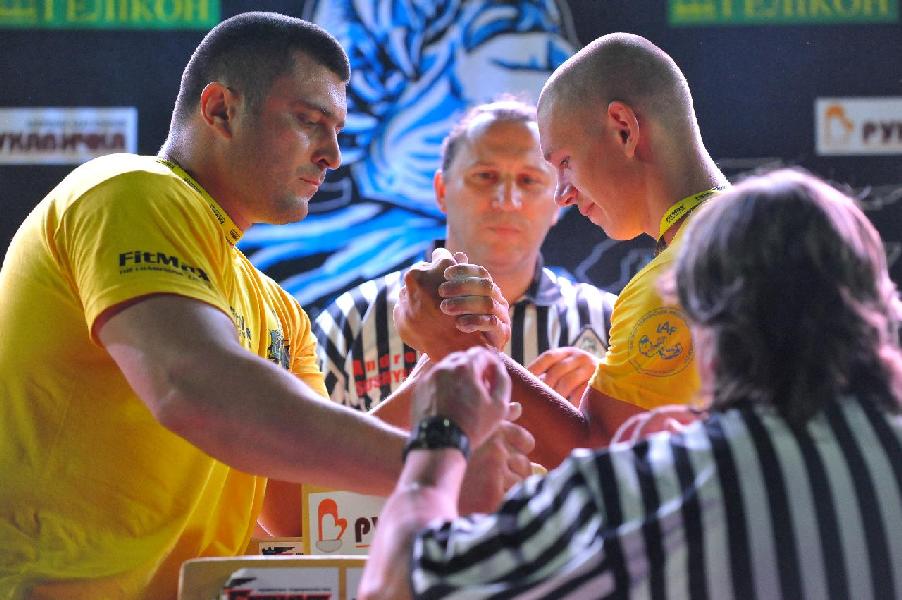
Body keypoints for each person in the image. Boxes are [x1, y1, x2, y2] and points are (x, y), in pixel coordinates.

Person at [0, 13, 532, 599]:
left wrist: (443, 357)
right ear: (221, 109)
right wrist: (437, 463)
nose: (332, 153)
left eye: (336, 129)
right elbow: (193, 387)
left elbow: (300, 506)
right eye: (309, 121)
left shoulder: (277, 307)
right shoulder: (129, 190)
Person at [358, 168, 902, 599]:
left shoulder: (644, 487)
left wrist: (440, 436)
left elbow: (399, 585)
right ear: (879, 310)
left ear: (704, 328)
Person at [383, 33, 731, 467]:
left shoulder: (679, 278)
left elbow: (607, 466)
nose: (562, 194)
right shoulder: (766, 236)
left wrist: (463, 348)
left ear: (623, 129)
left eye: (563, 162)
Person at [313, 98, 616, 411]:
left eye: (529, 180)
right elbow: (299, 456)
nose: (507, 200)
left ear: (558, 200)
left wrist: (612, 404)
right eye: (485, 176)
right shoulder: (352, 321)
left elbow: (657, 450)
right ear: (442, 191)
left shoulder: (611, 326)